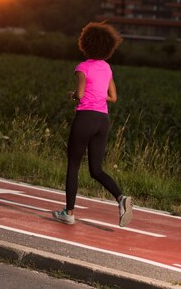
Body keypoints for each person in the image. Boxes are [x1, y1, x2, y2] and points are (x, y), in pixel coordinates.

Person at [52, 22, 133, 228]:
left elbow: (79, 94)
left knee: (73, 165)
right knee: (96, 170)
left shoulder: (82, 67)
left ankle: (68, 212)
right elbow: (113, 97)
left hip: (85, 119)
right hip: (102, 121)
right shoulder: (106, 68)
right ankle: (121, 198)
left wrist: (73, 95)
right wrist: (98, 95)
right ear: (108, 47)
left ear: (85, 44)